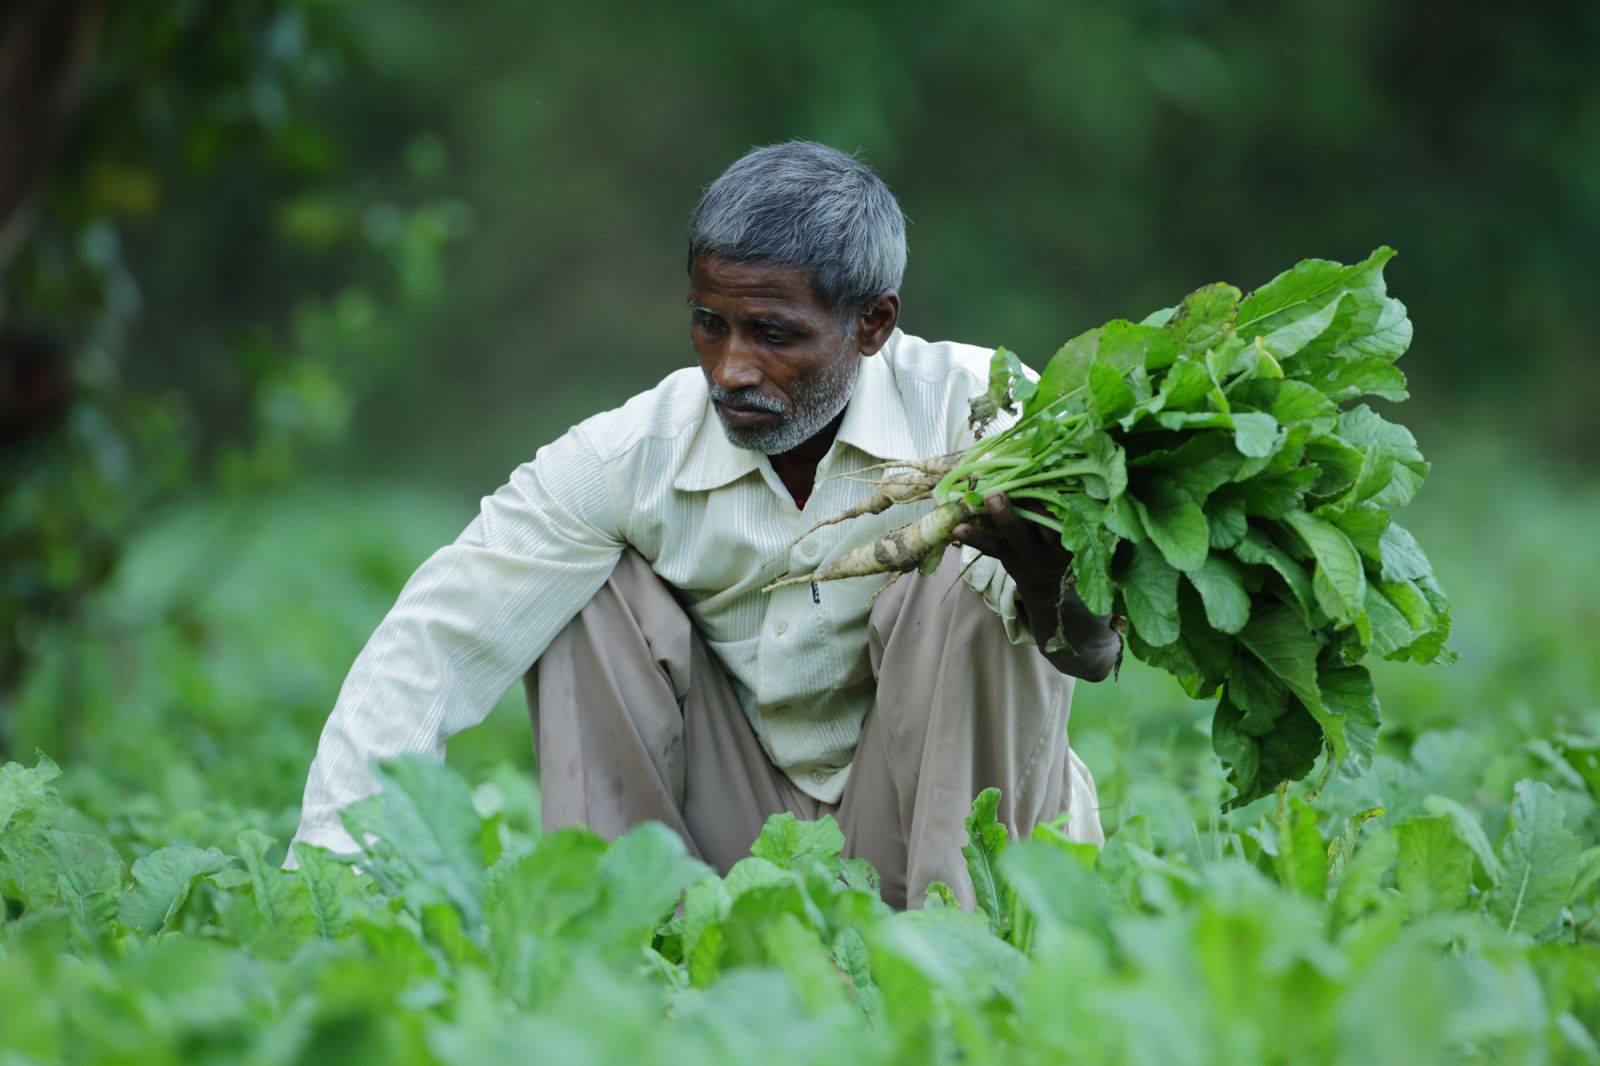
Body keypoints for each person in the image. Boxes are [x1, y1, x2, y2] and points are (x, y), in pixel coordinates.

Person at [290, 140, 1123, 909]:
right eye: (709, 323)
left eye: (772, 334)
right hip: (738, 838)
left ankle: (966, 944)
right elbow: (437, 637)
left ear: (871, 325)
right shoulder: (634, 453)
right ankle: (631, 936)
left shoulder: (990, 417)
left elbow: (1093, 650)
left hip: (929, 807)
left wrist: (1053, 586)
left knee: (969, 582)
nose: (730, 369)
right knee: (587, 588)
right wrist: (329, 873)